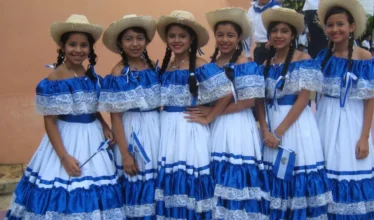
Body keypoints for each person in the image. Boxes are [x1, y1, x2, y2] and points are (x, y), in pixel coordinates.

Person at [6, 14, 125, 219]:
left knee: (96, 187)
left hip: (93, 136)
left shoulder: (88, 75)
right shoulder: (55, 78)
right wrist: (64, 157)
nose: (78, 50)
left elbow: (89, 106)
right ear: (62, 46)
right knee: (68, 188)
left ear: (90, 49)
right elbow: (50, 122)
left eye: (83, 45)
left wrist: (104, 124)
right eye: (72, 44)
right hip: (67, 139)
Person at [185, 7, 269, 219]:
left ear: (239, 37)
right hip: (215, 126)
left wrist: (212, 113)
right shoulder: (212, 65)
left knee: (235, 172)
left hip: (237, 125)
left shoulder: (246, 64)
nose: (225, 40)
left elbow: (248, 101)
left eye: (230, 35)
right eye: (220, 35)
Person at [154, 10, 233, 219]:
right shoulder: (164, 67)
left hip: (190, 128)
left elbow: (226, 92)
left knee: (191, 177)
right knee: (171, 178)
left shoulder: (200, 65)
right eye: (172, 36)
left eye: (182, 36)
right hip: (167, 129)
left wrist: (209, 116)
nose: (177, 40)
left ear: (191, 39)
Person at [257, 7, 332, 219]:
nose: (278, 35)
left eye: (284, 31)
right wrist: (265, 129)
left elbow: (303, 99)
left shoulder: (304, 59)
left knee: (296, 174)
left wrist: (278, 133)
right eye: (274, 31)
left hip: (295, 126)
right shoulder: (266, 64)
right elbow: (259, 100)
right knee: (275, 177)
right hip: (270, 128)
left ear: (293, 35)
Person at [316, 0, 374, 218]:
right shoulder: (322, 57)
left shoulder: (365, 58)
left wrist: (364, 137)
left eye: (340, 24)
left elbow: (369, 101)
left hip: (351, 123)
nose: (334, 29)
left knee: (350, 165)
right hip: (324, 120)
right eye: (330, 25)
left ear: (352, 26)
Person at [98, 14, 160, 219]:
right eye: (129, 39)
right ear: (120, 44)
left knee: (156, 181)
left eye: (140, 38)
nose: (135, 44)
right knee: (135, 179)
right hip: (131, 133)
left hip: (157, 130)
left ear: (147, 41)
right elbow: (115, 117)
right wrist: (125, 154)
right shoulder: (117, 73)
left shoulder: (153, 67)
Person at [245, 0, 280, 64]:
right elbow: (248, 28)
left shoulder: (276, 9)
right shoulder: (251, 10)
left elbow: (279, 28)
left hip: (269, 46)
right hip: (254, 48)